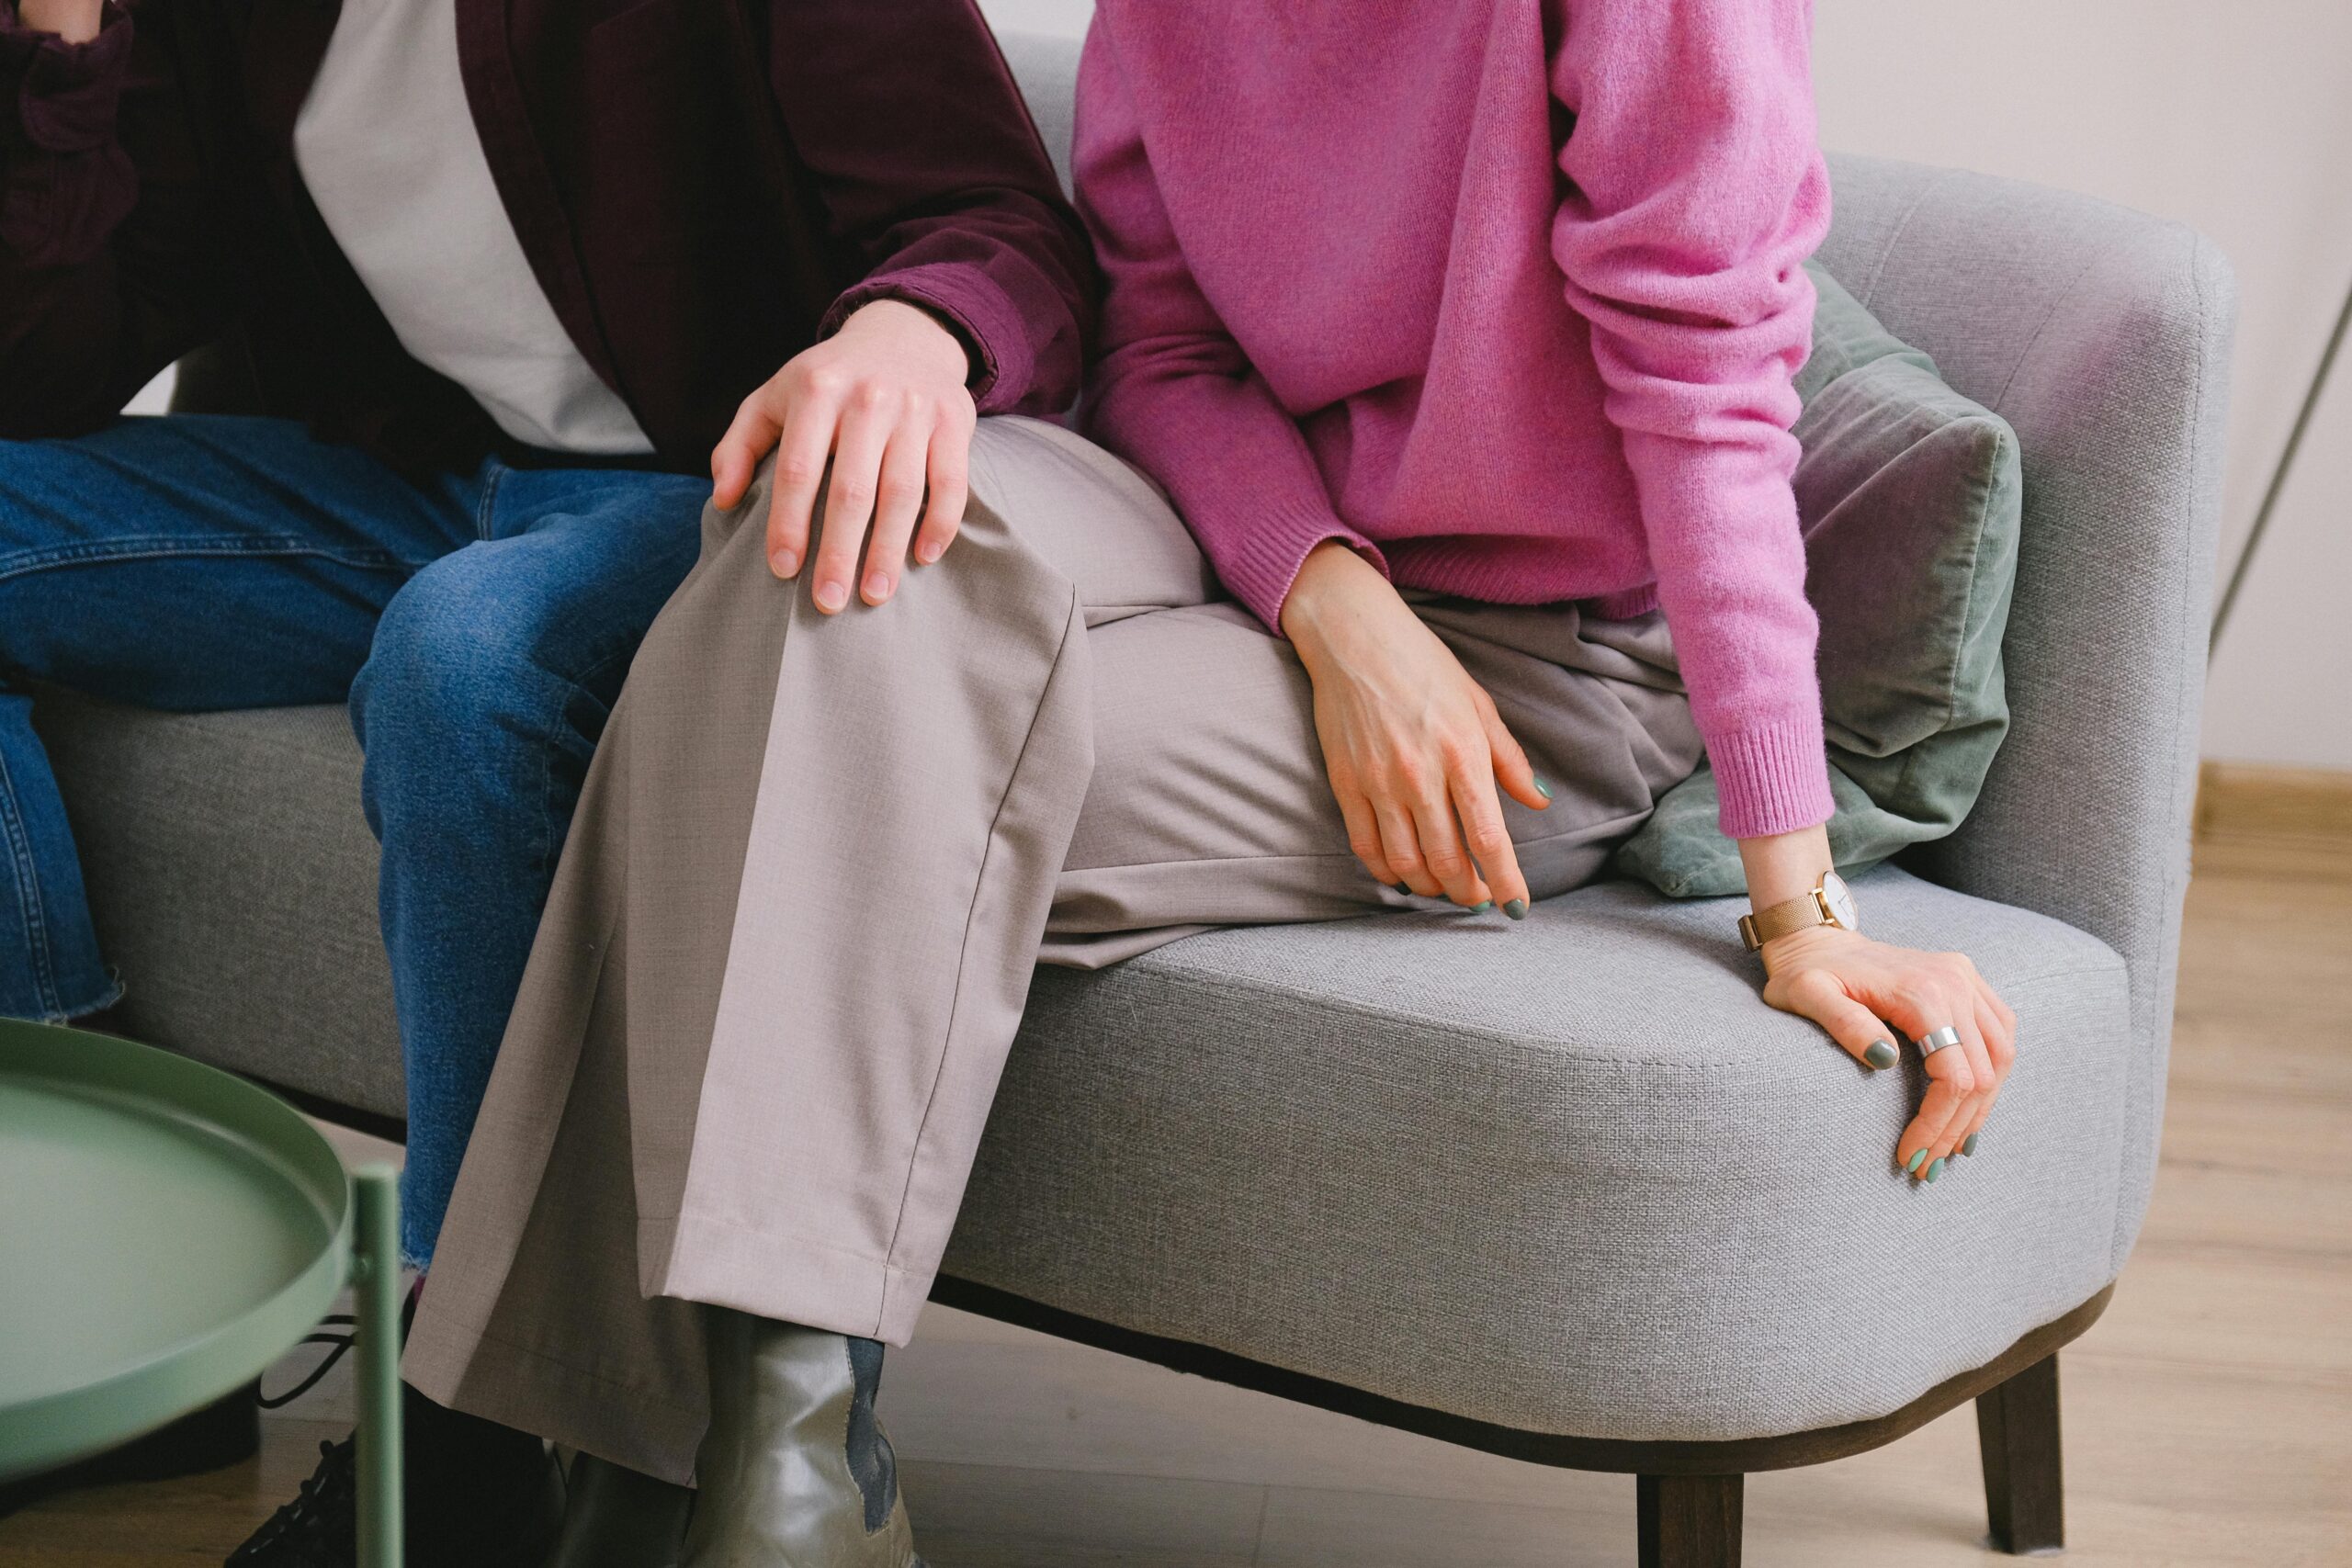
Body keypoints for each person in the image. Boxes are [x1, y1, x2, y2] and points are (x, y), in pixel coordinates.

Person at [404, 0, 2018, 1562]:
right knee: (836, 522)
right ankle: (780, 1471)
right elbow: (1162, 351)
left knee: (788, 715)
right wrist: (1333, 602)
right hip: (1259, 553)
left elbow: (1712, 396)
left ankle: (704, 1480)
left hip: (1544, 659)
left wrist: (1800, 903)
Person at [0, 0, 1091, 1561]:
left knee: (463, 658)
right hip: (416, 483)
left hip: (723, 500)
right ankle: (115, 1263)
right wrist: (57, 48)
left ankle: (473, 1423)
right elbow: (47, 363)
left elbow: (996, 224)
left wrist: (910, 330)